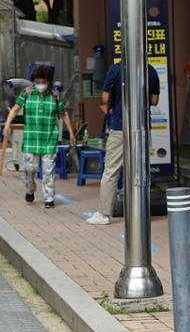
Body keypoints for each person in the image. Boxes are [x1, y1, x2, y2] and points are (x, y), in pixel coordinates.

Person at [86, 61, 160, 225]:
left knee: (111, 170)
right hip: (142, 128)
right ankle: (139, 212)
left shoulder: (115, 69)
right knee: (139, 170)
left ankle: (104, 213)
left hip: (120, 126)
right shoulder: (151, 71)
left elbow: (105, 98)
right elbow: (154, 101)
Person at [3, 65, 76, 208]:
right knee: (29, 169)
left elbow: (63, 114)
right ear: (34, 81)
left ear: (48, 82)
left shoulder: (55, 96)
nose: (40, 85)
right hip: (31, 139)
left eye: (43, 82)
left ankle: (49, 198)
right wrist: (7, 124)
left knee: (49, 170)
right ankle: (30, 189)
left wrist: (71, 133)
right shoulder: (27, 93)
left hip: (49, 138)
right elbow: (15, 109)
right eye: (37, 82)